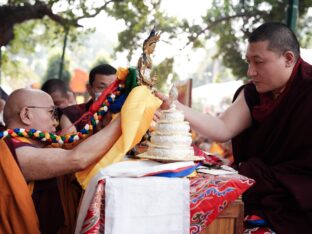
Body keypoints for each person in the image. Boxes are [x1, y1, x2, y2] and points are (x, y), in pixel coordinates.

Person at [156, 22, 312, 233]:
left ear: (288, 59)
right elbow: (222, 127)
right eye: (248, 62)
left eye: (258, 62)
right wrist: (175, 107)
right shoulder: (253, 93)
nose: (251, 72)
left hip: (300, 199)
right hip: (262, 191)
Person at [0, 88, 121, 233]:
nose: (56, 122)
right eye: (51, 112)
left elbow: (86, 150)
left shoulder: (45, 145)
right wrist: (126, 117)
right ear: (26, 114)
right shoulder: (10, 150)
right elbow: (77, 158)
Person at [60, 64, 117, 133]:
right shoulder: (72, 114)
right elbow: (70, 142)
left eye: (113, 88)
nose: (109, 93)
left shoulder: (124, 114)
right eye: (101, 88)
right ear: (89, 89)